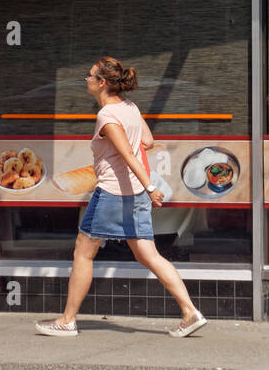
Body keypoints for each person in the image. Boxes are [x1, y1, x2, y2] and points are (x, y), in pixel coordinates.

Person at [35, 57, 206, 338]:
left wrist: (151, 187)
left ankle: (67, 320)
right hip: (135, 195)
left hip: (112, 193)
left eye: (89, 76)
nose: (86, 80)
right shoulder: (130, 108)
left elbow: (127, 155)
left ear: (102, 83)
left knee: (83, 252)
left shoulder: (107, 116)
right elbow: (147, 142)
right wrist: (145, 187)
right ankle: (190, 312)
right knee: (148, 255)